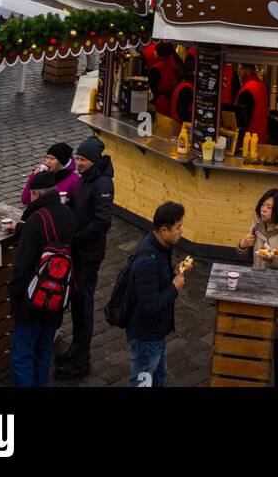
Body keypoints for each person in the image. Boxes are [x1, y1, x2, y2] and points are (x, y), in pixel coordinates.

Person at [54, 135, 114, 380]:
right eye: (77, 158)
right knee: (78, 304)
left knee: (83, 305)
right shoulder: (86, 179)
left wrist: (76, 238)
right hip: (79, 251)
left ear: (93, 161)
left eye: (81, 159)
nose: (77, 163)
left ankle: (81, 360)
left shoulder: (102, 185)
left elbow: (102, 222)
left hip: (88, 254)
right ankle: (76, 349)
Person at [8, 170, 75, 387]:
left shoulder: (37, 219)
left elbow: (22, 264)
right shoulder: (66, 213)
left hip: (32, 297)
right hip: (58, 294)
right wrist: (20, 228)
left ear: (36, 195)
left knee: (23, 353)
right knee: (45, 350)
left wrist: (14, 293)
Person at [236, 188, 278, 388]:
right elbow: (244, 254)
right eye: (263, 205)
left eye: (270, 207)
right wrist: (242, 244)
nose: (264, 210)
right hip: (257, 290)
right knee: (257, 343)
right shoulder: (257, 226)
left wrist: (277, 256)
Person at [125, 201, 189, 387]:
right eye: (178, 228)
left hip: (157, 332)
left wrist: (172, 271)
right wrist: (174, 288)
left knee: (159, 378)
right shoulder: (147, 260)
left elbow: (157, 279)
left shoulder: (160, 248)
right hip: (147, 335)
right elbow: (149, 306)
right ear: (163, 230)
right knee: (143, 381)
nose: (181, 232)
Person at [21, 142, 82, 206]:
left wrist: (69, 202)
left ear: (62, 161)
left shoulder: (75, 180)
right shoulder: (42, 176)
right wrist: (34, 177)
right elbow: (25, 200)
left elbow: (79, 205)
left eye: (52, 158)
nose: (48, 161)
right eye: (47, 157)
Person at [235, 63, 269, 143]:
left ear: (247, 70)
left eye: (240, 68)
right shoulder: (262, 85)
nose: (239, 72)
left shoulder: (248, 90)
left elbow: (242, 121)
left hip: (249, 141)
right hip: (261, 138)